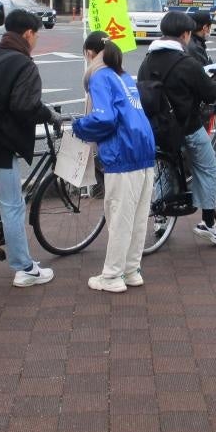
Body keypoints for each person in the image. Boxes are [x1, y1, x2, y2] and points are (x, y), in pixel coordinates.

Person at [0, 9, 60, 287]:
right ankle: (24, 269)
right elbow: (25, 105)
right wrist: (48, 114)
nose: (35, 39)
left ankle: (20, 255)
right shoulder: (23, 64)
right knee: (13, 207)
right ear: (28, 33)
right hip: (1, 143)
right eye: (36, 34)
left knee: (5, 203)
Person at [72, 32, 155, 293]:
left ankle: (111, 277)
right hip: (144, 150)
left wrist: (79, 126)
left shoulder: (99, 76)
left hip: (122, 153)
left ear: (89, 53)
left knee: (119, 217)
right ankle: (131, 270)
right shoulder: (124, 75)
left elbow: (104, 119)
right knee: (138, 217)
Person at [137, 11, 216, 246]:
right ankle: (209, 222)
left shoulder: (147, 61)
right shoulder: (187, 63)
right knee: (207, 168)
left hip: (157, 128)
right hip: (187, 128)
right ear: (186, 34)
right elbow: (210, 93)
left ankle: (160, 219)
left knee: (164, 172)